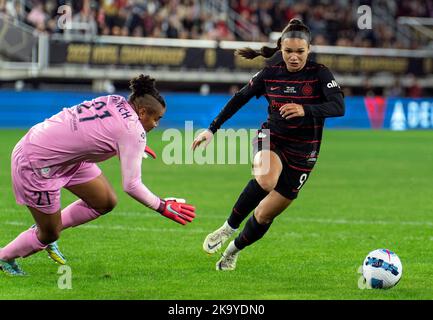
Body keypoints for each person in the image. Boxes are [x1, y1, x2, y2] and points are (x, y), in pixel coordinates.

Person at [0, 74, 196, 276]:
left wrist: (134, 148)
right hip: (38, 163)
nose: (156, 124)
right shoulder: (133, 130)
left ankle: (43, 227)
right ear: (143, 111)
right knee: (50, 233)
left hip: (58, 153)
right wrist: (162, 206)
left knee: (105, 201)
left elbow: (97, 129)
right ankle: (4, 256)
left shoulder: (115, 100)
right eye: (156, 119)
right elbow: (132, 185)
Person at [192, 19, 345, 271]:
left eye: (300, 52)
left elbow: (339, 106)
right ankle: (227, 228)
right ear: (281, 49)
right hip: (272, 137)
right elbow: (239, 98)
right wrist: (212, 129)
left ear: (309, 50)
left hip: (305, 152)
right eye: (288, 52)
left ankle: (233, 251)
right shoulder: (270, 72)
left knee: (264, 215)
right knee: (266, 179)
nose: (294, 57)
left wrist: (305, 109)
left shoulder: (320, 74)